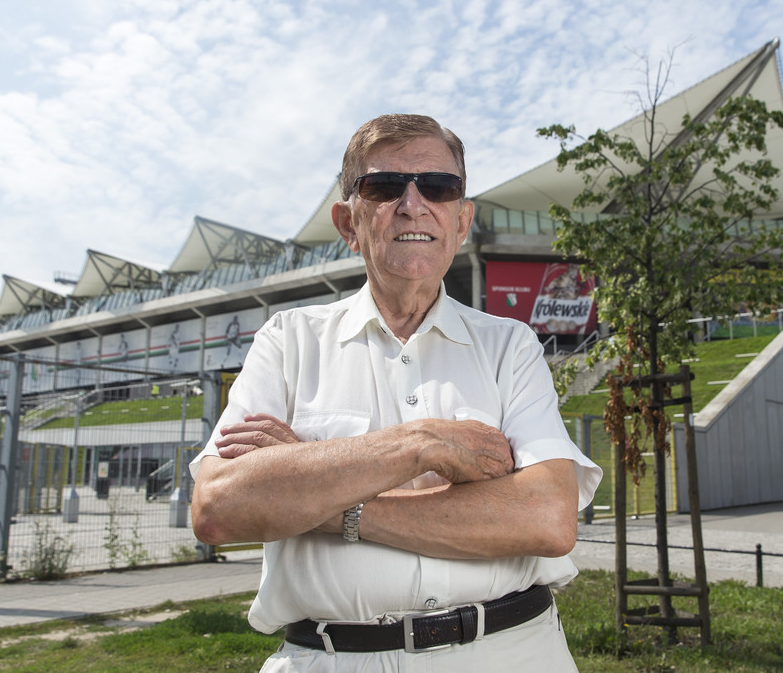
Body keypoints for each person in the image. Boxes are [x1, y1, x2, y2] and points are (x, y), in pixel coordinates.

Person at [190, 114, 601, 671]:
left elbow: (547, 519)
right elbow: (219, 509)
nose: (413, 203)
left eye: (438, 186)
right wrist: (421, 442)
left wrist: (321, 498)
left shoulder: (511, 344)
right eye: (384, 187)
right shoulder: (288, 341)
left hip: (514, 652)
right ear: (348, 221)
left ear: (461, 220)